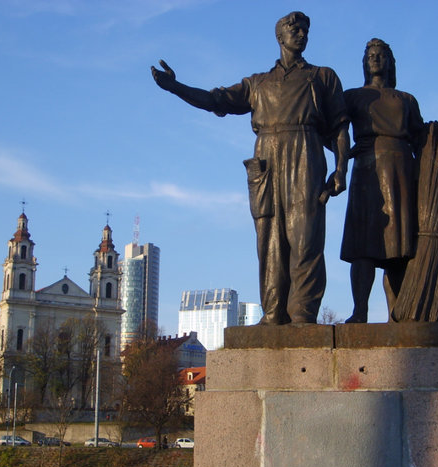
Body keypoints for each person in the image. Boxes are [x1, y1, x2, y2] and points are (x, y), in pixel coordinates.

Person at [152, 12, 349, 325]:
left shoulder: (323, 77)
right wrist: (177, 87)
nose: (301, 34)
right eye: (294, 29)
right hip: (266, 158)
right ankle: (273, 313)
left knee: (305, 237)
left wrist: (341, 169)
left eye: (305, 29)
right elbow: (217, 100)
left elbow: (340, 126)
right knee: (269, 240)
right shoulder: (258, 84)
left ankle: (302, 315)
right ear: (279, 36)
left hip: (306, 153)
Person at [340, 38, 423, 323]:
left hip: (402, 171)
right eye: (371, 56)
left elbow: (421, 139)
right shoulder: (352, 97)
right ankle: (359, 310)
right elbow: (331, 129)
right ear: (365, 62)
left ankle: (397, 315)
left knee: (397, 250)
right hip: (367, 171)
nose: (376, 59)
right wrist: (347, 152)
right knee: (362, 246)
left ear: (390, 62)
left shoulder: (406, 100)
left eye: (381, 55)